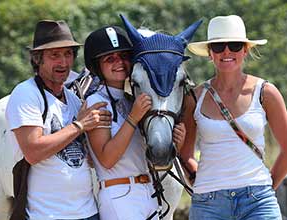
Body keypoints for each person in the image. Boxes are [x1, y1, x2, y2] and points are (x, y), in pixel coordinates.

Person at [181, 15, 287, 219]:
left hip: (258, 201)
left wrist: (268, 184)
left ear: (245, 50)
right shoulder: (195, 97)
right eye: (219, 47)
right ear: (210, 53)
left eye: (235, 45)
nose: (227, 51)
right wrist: (202, 180)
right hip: (208, 203)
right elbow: (185, 154)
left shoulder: (266, 92)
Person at [5, 20, 111, 220]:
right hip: (47, 215)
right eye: (55, 55)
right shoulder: (26, 93)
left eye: (68, 54)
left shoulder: (73, 98)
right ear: (37, 59)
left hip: (89, 212)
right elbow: (33, 151)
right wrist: (80, 125)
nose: (63, 63)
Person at [84, 25, 186, 220]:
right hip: (119, 197)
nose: (119, 62)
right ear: (97, 66)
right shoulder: (96, 103)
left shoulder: (130, 102)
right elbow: (107, 160)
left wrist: (176, 144)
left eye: (123, 56)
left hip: (146, 192)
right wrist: (133, 118)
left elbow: (143, 159)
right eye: (110, 59)